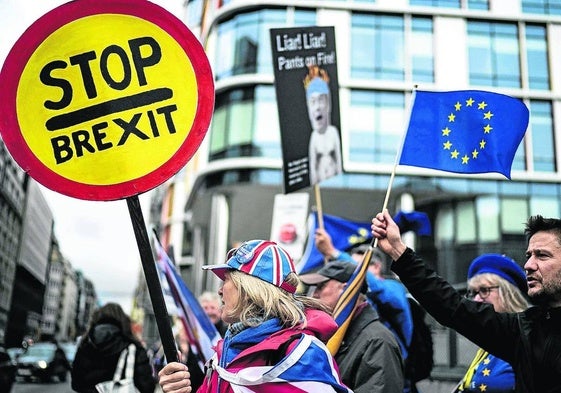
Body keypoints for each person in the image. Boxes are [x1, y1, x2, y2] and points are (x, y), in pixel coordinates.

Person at [371, 211, 561, 393]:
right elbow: (452, 307)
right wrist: (398, 251)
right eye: (528, 256)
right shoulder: (524, 329)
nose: (528, 265)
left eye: (542, 255)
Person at [158, 239, 351, 393]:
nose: (219, 291)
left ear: (249, 290)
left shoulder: (300, 353)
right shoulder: (226, 349)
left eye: (226, 280)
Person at [300, 260, 404, 393]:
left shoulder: (377, 342)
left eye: (321, 286)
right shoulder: (333, 334)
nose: (314, 294)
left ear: (346, 289)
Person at [454, 253, 529, 392]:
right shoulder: (490, 338)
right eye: (472, 293)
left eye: (483, 290)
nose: (476, 299)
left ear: (508, 293)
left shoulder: (528, 337)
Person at [71, 302, 155, 393]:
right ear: (124, 322)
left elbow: (76, 384)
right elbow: (147, 387)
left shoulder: (85, 345)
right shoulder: (134, 348)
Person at [303, 65, 342, 185]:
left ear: (328, 104)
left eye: (321, 100)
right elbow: (313, 168)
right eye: (313, 102)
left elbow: (339, 162)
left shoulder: (333, 132)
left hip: (334, 186)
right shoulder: (314, 138)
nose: (317, 107)